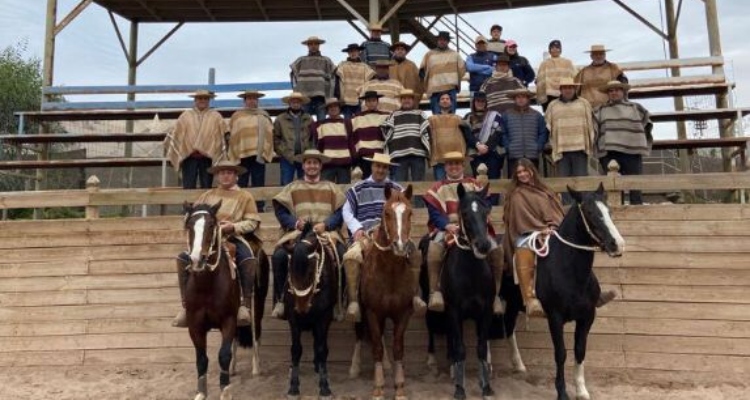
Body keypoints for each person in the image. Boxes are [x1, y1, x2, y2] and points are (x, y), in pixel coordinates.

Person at [502, 158, 616, 317]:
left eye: (524, 171)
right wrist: (541, 230)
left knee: (573, 251)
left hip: (552, 231)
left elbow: (555, 212)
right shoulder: (516, 195)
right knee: (523, 251)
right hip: (527, 234)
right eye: (519, 172)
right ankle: (530, 299)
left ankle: (593, 294)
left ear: (531, 171)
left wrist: (554, 227)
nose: (522, 174)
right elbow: (520, 220)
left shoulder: (544, 190)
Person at [171, 160, 261, 328]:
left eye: (229, 172)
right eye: (222, 173)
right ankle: (185, 306)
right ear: (217, 176)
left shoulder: (245, 196)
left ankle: (244, 304)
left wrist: (233, 226)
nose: (225, 176)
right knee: (182, 258)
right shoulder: (207, 195)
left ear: (236, 176)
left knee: (247, 258)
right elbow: (193, 216)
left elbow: (252, 222)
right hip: (207, 240)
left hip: (232, 238)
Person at [341, 153, 426, 322]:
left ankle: (415, 295)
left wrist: (402, 234)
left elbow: (406, 214)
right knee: (351, 257)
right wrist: (356, 228)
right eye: (377, 166)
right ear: (372, 167)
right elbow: (346, 211)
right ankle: (353, 302)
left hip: (393, 235)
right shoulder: (358, 188)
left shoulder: (398, 190)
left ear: (388, 169)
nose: (381, 170)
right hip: (365, 234)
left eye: (384, 167)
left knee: (415, 255)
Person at [423, 151, 505, 314]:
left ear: (463, 166)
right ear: (445, 166)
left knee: (497, 250)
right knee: (434, 248)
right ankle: (435, 292)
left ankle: (495, 294)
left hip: (475, 229)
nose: (454, 167)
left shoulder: (475, 184)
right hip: (448, 228)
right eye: (450, 164)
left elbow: (484, 206)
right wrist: (447, 225)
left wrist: (477, 224)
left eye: (457, 163)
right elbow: (434, 213)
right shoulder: (437, 188)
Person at [270, 149, 347, 319]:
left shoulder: (332, 188)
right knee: (279, 257)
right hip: (298, 234)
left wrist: (326, 224)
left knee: (343, 256)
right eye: (308, 163)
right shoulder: (291, 187)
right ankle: (281, 300)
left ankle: (339, 303)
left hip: (326, 235)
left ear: (320, 166)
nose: (312, 166)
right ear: (303, 166)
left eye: (315, 163)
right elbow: (281, 210)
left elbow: (341, 212)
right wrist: (294, 223)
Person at [594, 81, 653, 205]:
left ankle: (637, 213)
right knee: (613, 186)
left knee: (634, 184)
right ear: (607, 93)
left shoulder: (636, 107)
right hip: (609, 152)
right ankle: (616, 213)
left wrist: (636, 139)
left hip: (632, 151)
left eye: (617, 90)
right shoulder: (600, 109)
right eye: (611, 90)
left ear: (623, 92)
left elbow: (646, 124)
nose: (614, 93)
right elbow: (594, 129)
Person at [165, 90, 225, 189]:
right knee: (188, 186)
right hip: (189, 157)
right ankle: (188, 205)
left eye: (205, 98)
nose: (202, 100)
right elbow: (175, 133)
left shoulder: (216, 116)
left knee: (206, 187)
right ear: (195, 100)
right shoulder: (185, 116)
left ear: (209, 100)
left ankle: (206, 204)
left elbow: (222, 134)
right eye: (200, 98)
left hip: (207, 158)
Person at [228, 90, 275, 211]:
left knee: (258, 182)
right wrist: (235, 150)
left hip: (259, 154)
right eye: (249, 98)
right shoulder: (237, 116)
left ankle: (259, 208)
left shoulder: (263, 115)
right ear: (244, 101)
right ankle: (240, 207)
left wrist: (266, 150)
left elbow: (269, 134)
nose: (251, 101)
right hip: (242, 155)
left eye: (254, 98)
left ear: (257, 101)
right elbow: (232, 134)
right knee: (241, 182)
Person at [545, 78, 594, 192]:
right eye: (565, 88)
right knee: (564, 183)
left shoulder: (584, 103)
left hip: (580, 147)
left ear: (575, 89)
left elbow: (590, 124)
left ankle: (582, 207)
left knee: (581, 181)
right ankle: (567, 208)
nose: (568, 90)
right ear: (560, 90)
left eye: (570, 87)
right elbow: (548, 125)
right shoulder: (553, 105)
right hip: (561, 149)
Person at [381, 89, 430, 184]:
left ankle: (418, 200)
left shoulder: (420, 113)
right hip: (399, 155)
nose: (406, 100)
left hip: (418, 153)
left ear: (413, 100)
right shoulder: (394, 114)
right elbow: (385, 130)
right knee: (400, 185)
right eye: (404, 98)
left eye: (409, 98)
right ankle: (399, 199)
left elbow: (426, 131)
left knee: (419, 184)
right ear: (400, 100)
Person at [463, 91, 503, 204]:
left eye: (482, 101)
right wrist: (478, 145)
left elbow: (498, 133)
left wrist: (487, 147)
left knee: (493, 181)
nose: (480, 103)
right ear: (473, 102)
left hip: (493, 154)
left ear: (486, 103)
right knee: (478, 182)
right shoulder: (467, 117)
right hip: (476, 155)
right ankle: (481, 205)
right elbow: (467, 135)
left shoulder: (495, 115)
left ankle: (494, 205)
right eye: (477, 101)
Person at [501, 88, 549, 177]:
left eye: (523, 97)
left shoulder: (537, 115)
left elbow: (543, 132)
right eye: (518, 97)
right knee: (514, 181)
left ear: (528, 99)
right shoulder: (506, 115)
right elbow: (503, 133)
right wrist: (508, 147)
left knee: (533, 180)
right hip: (514, 155)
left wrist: (538, 146)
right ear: (514, 99)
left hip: (532, 154)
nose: (521, 99)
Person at [428, 92, 475, 180]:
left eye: (447, 99)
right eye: (442, 99)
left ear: (451, 102)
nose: (445, 101)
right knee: (440, 188)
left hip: (456, 159)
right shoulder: (431, 120)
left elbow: (468, 136)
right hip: (439, 159)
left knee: (457, 188)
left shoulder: (459, 119)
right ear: (438, 103)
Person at [420, 31, 466, 115]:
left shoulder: (455, 55)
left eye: (444, 40)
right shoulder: (429, 55)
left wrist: (453, 79)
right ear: (437, 41)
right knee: (437, 116)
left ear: (448, 41)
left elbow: (462, 69)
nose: (442, 41)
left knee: (451, 116)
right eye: (440, 39)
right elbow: (422, 70)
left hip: (450, 89)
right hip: (434, 90)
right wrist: (427, 83)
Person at [273, 92, 315, 185]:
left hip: (304, 157)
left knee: (305, 184)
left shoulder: (309, 118)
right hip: (287, 157)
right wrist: (283, 152)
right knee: (286, 184)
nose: (296, 104)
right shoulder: (280, 119)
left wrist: (309, 151)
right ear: (289, 103)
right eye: (293, 102)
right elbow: (276, 138)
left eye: (298, 102)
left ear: (301, 103)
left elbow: (313, 137)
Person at [290, 36, 335, 121]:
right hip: (304, 96)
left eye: (316, 44)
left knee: (321, 122)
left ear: (319, 45)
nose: (313, 46)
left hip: (321, 96)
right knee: (305, 122)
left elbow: (333, 75)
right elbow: (293, 75)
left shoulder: (326, 60)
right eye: (311, 44)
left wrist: (329, 93)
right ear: (308, 46)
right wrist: (297, 88)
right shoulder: (301, 60)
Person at [312, 98, 354, 184]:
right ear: (327, 110)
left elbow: (351, 143)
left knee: (343, 192)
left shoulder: (347, 123)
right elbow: (319, 145)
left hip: (344, 164)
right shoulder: (320, 125)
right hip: (327, 164)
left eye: (335, 106)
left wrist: (354, 161)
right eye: (330, 107)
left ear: (339, 108)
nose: (333, 108)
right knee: (326, 191)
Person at [351, 91, 390, 178]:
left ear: (377, 102)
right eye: (368, 101)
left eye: (373, 100)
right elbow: (353, 138)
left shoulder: (386, 116)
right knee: (366, 183)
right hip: (364, 156)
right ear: (365, 103)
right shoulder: (357, 118)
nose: (371, 103)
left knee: (381, 182)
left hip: (380, 155)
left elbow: (389, 135)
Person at [575, 44, 628, 109]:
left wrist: (624, 102)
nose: (598, 56)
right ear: (591, 56)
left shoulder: (614, 68)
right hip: (588, 108)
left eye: (601, 54)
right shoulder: (583, 72)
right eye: (595, 54)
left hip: (609, 107)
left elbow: (624, 86)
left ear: (605, 55)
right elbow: (575, 90)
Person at [334, 43, 374, 119]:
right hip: (346, 100)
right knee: (347, 122)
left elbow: (372, 78)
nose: (353, 53)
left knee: (359, 122)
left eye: (355, 51)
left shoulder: (364, 66)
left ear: (359, 52)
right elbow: (337, 80)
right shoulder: (342, 65)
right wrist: (338, 96)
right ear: (348, 53)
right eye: (351, 52)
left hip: (360, 99)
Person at [535, 39, 577, 111]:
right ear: (549, 50)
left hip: (564, 93)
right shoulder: (544, 63)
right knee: (550, 116)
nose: (555, 50)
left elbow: (575, 77)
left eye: (557, 48)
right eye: (552, 48)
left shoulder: (568, 62)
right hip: (549, 96)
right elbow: (540, 80)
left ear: (560, 50)